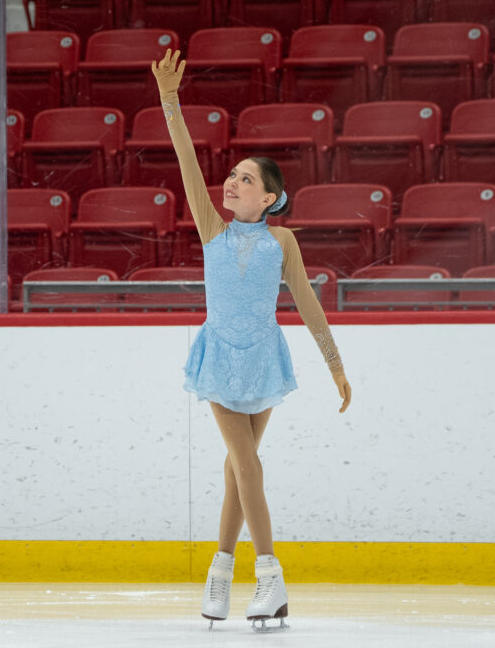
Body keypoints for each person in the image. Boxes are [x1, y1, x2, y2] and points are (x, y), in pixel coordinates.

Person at [151, 49, 352, 632]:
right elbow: (187, 158)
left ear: (269, 198)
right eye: (232, 175)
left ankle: (219, 575)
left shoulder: (282, 242)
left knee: (240, 470)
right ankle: (270, 577)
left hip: (263, 360)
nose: (230, 181)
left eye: (246, 179)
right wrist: (170, 100)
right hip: (219, 359)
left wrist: (336, 365)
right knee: (245, 464)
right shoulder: (212, 228)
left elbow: (309, 305)